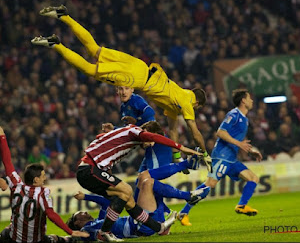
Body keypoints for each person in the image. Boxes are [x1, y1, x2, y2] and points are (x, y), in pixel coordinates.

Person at [31, 5, 212, 172]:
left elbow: (173, 131)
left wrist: (177, 158)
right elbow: (195, 134)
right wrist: (205, 154)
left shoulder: (176, 99)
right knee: (89, 69)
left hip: (140, 65)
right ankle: (56, 44)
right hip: (137, 78)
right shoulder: (187, 103)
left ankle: (64, 16)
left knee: (95, 50)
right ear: (197, 104)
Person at [73, 120, 202, 241]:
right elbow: (151, 137)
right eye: (149, 137)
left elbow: (105, 137)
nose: (152, 143)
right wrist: (181, 148)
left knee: (128, 200)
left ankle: (160, 228)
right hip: (89, 169)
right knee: (129, 188)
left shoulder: (129, 135)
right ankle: (105, 232)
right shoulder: (134, 131)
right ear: (145, 131)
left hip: (92, 170)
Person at [66, 156, 208, 241]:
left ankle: (185, 195)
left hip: (139, 220)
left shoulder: (103, 220)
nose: (85, 212)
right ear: (77, 222)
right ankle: (188, 196)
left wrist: (85, 197)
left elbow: (105, 202)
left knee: (142, 176)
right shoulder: (87, 228)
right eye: (81, 214)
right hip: (141, 227)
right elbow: (81, 237)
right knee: (148, 183)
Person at [177, 89, 263, 226]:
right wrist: (239, 144)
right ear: (243, 101)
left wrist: (249, 151)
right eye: (249, 98)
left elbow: (237, 139)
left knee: (253, 178)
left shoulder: (245, 119)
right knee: (209, 185)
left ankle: (241, 206)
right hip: (222, 157)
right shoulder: (233, 114)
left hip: (232, 159)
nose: (252, 100)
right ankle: (184, 213)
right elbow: (220, 132)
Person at [0, 126, 89, 242]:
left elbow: (7, 161)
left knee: (6, 232)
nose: (45, 178)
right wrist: (70, 231)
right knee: (55, 239)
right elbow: (51, 215)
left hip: (14, 239)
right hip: (36, 240)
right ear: (36, 180)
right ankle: (67, 240)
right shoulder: (42, 193)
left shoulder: (15, 185)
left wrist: (2, 137)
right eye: (43, 176)